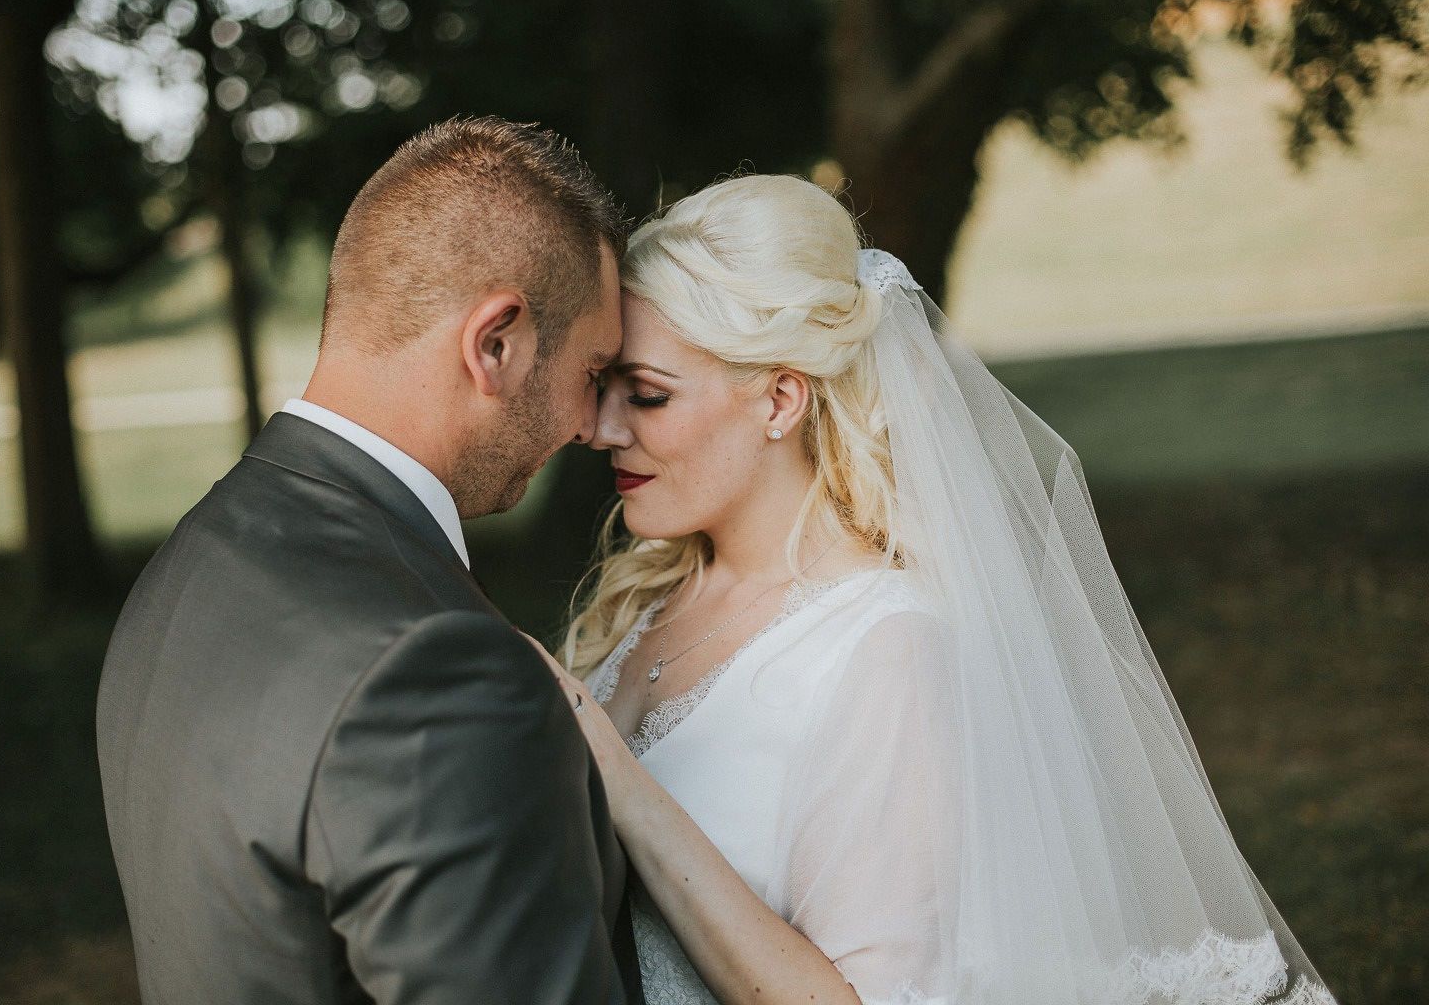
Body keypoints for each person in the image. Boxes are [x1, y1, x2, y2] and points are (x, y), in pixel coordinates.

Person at [530, 173, 1340, 1005]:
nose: (601, 428)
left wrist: (624, 786)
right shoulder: (651, 595)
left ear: (780, 399)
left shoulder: (885, 648)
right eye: (604, 387)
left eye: (648, 395)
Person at [97, 116, 643, 1004]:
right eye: (592, 371)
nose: (591, 426)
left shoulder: (195, 556)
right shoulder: (440, 676)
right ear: (496, 344)